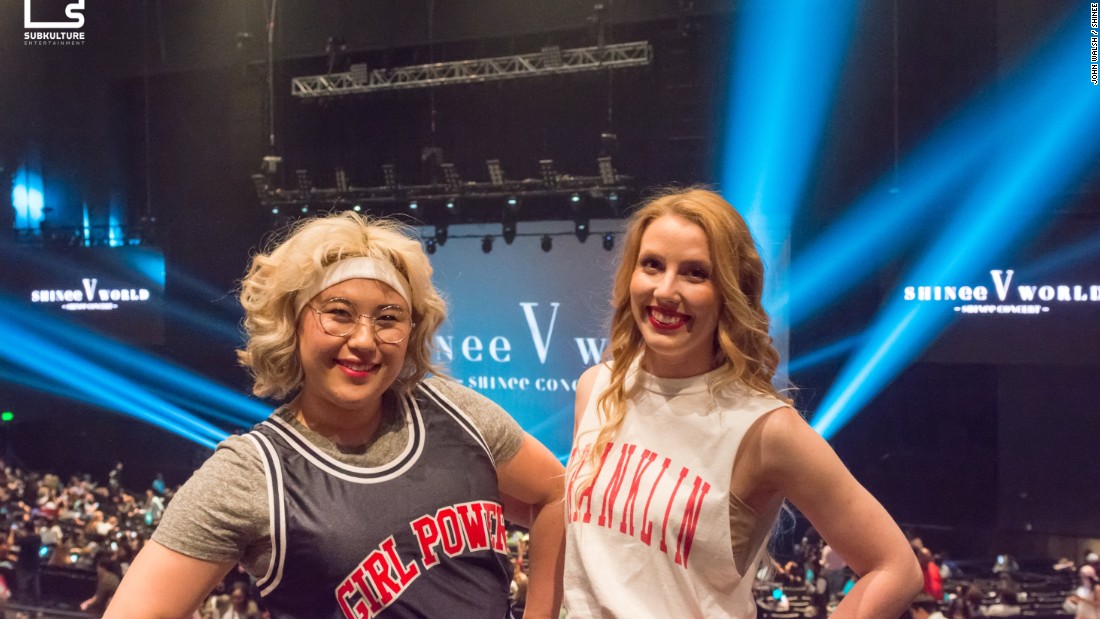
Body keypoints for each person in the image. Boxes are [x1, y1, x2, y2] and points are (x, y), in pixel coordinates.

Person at [106, 212, 565, 618]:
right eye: (339, 313)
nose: (364, 340)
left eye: (388, 318)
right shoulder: (251, 474)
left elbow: (558, 493)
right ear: (292, 322)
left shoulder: (457, 411)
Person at [562, 188, 922, 617]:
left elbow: (896, 568)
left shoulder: (765, 429)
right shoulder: (595, 388)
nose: (665, 290)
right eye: (652, 265)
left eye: (695, 273)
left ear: (730, 292)